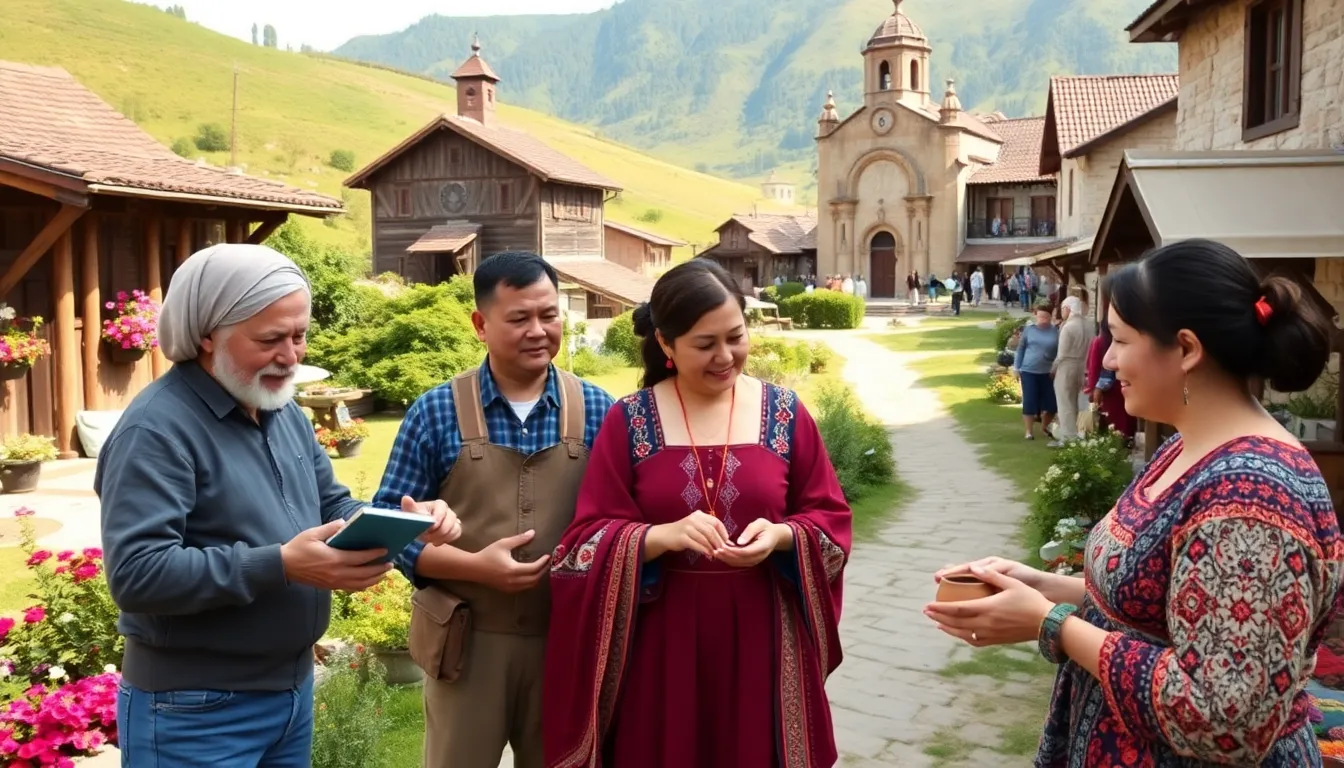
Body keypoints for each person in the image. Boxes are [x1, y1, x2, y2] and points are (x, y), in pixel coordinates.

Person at [926, 239, 1344, 766]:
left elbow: (1223, 719)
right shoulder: (1185, 448)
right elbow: (1161, 603)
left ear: (1188, 349)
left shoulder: (1252, 497)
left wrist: (1050, 622)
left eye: (1120, 339)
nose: (1109, 359)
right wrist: (1041, 586)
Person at [96, 243, 460, 768]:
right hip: (193, 711)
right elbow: (136, 574)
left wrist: (407, 521)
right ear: (206, 335)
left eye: (299, 335)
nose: (291, 356)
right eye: (270, 339)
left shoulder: (279, 409)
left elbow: (329, 503)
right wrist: (282, 564)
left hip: (288, 697)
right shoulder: (156, 430)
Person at [543, 259, 852, 768]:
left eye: (736, 337)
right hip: (661, 648)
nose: (726, 357)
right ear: (666, 345)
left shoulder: (785, 412)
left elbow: (829, 520)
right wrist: (658, 538)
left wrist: (780, 537)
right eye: (705, 345)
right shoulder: (632, 419)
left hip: (764, 641)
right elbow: (582, 544)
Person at [374, 252, 613, 768]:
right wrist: (473, 566)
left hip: (566, 642)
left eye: (548, 315)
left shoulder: (599, 410)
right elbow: (389, 532)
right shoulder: (435, 411)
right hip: (465, 644)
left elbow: (622, 525)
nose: (538, 331)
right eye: (519, 318)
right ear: (481, 324)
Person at [1083, 315, 1134, 441]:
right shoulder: (1124, 342)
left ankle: (1116, 441)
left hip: (1106, 389)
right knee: (1125, 415)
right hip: (1122, 383)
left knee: (1113, 417)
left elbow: (1093, 366)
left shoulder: (1099, 342)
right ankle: (1127, 439)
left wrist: (1092, 387)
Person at [1013, 304, 1059, 440]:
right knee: (1030, 401)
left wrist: (1055, 367)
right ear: (1036, 316)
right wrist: (1016, 367)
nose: (1043, 319)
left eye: (1046, 317)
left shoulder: (1056, 331)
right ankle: (1028, 431)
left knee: (1051, 404)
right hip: (1028, 371)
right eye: (1040, 316)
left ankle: (1044, 427)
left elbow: (1060, 352)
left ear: (1051, 317)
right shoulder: (1029, 330)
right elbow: (1020, 349)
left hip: (1048, 372)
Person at [1049, 296, 1088, 447]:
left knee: (1065, 402)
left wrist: (1053, 369)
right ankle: (1079, 433)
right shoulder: (1089, 324)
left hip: (1067, 365)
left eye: (1062, 309)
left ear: (1067, 309)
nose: (1061, 312)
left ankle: (1068, 437)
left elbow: (1062, 354)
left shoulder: (1069, 326)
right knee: (1079, 402)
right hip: (1084, 365)